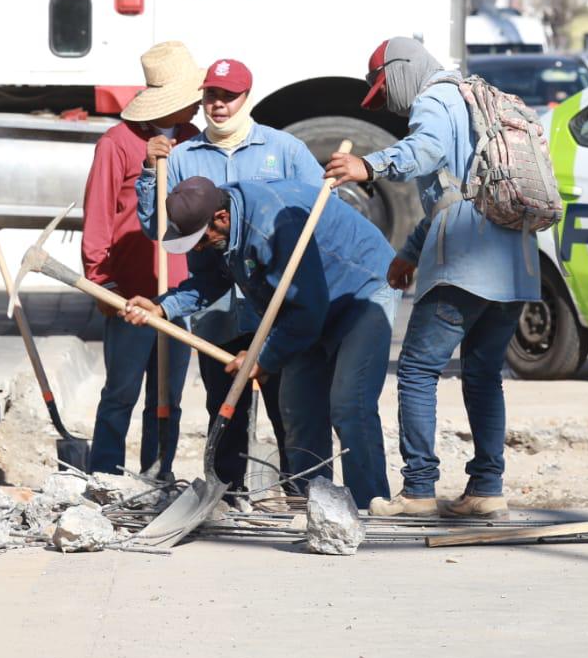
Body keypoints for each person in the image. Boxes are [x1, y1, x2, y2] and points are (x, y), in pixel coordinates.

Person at [325, 37, 539, 518]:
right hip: (516, 258)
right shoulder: (473, 98)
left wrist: (368, 166)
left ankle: (419, 489)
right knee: (483, 374)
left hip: (468, 257)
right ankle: (487, 488)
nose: (387, 103)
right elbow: (459, 192)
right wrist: (409, 253)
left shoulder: (435, 99)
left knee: (419, 370)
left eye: (384, 91)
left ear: (401, 72)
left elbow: (423, 153)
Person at [122, 176, 398, 508]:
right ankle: (313, 505)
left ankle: (369, 505)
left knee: (349, 403)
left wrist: (263, 358)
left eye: (199, 239)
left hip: (361, 288)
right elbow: (210, 280)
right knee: (297, 407)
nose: (196, 248)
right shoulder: (212, 231)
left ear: (221, 218)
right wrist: (164, 306)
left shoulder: (271, 226)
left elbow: (308, 309)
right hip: (305, 304)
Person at [133, 58, 324, 487]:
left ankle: (302, 493)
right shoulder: (181, 158)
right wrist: (150, 174)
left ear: (246, 97)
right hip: (214, 304)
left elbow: (320, 214)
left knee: (288, 406)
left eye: (228, 96)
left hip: (275, 311)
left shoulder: (284, 150)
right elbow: (157, 230)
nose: (218, 105)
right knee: (225, 409)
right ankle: (227, 496)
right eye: (210, 95)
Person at [81, 40, 199, 476]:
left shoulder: (192, 141)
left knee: (167, 398)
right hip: (131, 293)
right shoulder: (118, 143)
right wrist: (100, 279)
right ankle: (106, 474)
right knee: (121, 391)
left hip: (178, 293)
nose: (201, 105)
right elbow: (98, 213)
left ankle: (158, 474)